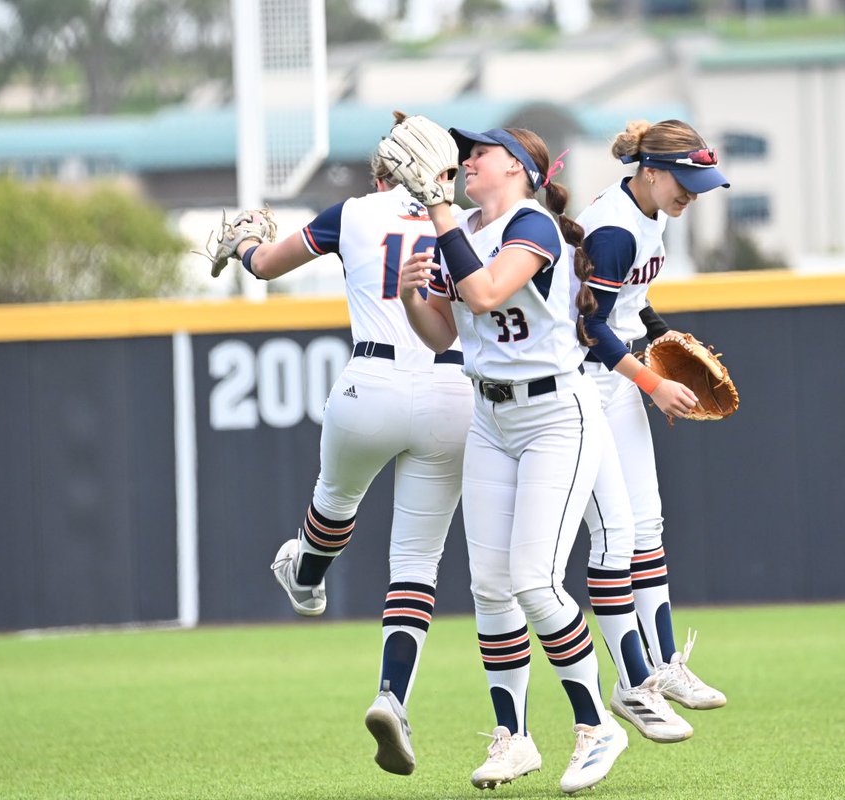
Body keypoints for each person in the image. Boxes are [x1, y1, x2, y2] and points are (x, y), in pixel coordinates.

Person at [209, 113, 474, 778]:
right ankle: (392, 696)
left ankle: (305, 575)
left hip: (371, 382)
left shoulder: (352, 212)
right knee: (415, 563)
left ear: (385, 171)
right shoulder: (469, 225)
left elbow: (265, 264)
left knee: (335, 500)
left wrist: (244, 243)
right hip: (451, 391)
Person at [394, 118, 628, 795]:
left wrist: (437, 212)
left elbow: (488, 292)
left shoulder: (534, 224)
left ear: (521, 168)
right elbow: (444, 333)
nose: (467, 159)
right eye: (466, 152)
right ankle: (514, 736)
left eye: (482, 152)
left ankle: (596, 725)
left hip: (556, 415)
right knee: (490, 587)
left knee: (534, 580)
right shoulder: (460, 227)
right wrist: (411, 296)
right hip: (490, 416)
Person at [578, 118, 731, 719]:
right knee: (615, 535)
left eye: (700, 184)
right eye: (685, 182)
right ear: (650, 171)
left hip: (616, 380)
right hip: (579, 388)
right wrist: (654, 383)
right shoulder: (614, 230)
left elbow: (632, 307)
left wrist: (669, 339)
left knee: (647, 525)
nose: (692, 194)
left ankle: (666, 664)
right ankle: (630, 679)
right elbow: (588, 328)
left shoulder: (652, 215)